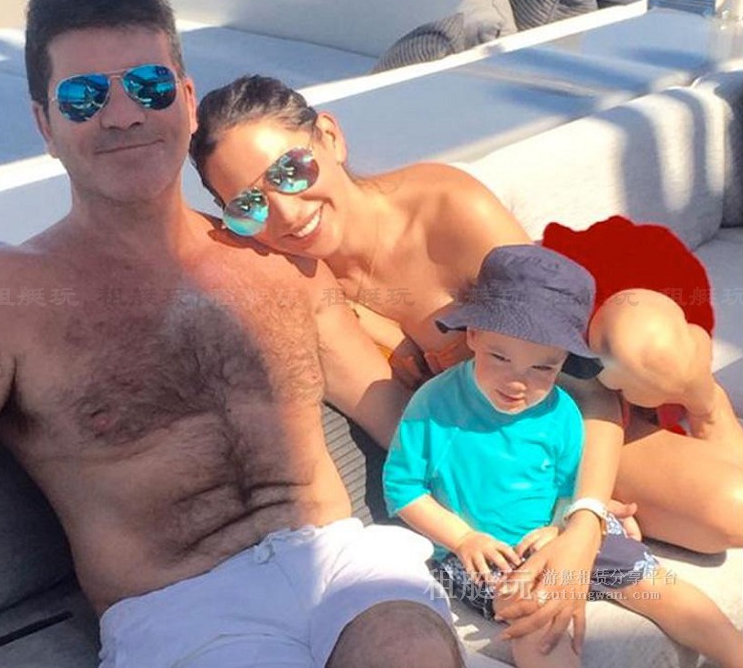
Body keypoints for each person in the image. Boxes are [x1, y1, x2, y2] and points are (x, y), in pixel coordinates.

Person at [0, 0, 469, 667]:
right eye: (83, 97)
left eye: (150, 86)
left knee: (408, 648)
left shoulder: (276, 262)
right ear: (45, 124)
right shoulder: (13, 297)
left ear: (187, 101)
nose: (123, 114)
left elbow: (397, 420)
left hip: (339, 560)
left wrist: (554, 517)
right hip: (178, 606)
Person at [189, 73, 743, 650]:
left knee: (643, 348)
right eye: (249, 204)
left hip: (583, 382)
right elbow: (409, 436)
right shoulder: (308, 294)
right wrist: (531, 521)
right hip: (518, 450)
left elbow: (584, 384)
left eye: (289, 170)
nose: (285, 212)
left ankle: (709, 409)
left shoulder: (445, 208)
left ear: (329, 136)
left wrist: (584, 521)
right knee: (730, 512)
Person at [383, 244, 743, 668]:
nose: (518, 382)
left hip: (561, 534)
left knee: (661, 588)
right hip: (490, 554)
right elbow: (403, 487)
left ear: (563, 362)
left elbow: (574, 485)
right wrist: (462, 538)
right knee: (535, 622)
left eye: (543, 368)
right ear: (473, 336)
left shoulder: (562, 414)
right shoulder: (435, 406)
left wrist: (562, 528)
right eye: (500, 357)